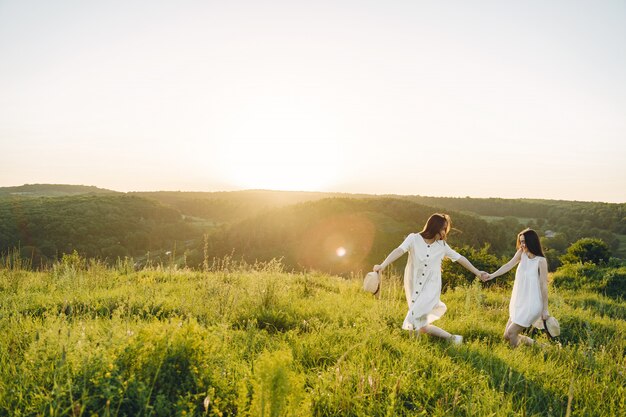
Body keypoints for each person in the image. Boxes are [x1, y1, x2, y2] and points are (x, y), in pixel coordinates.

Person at [373, 213, 485, 344]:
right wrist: (383, 265)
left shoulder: (442, 246)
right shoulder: (413, 238)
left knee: (414, 316)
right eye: (443, 229)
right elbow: (399, 250)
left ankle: (413, 346)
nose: (444, 233)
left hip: (431, 288)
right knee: (421, 325)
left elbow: (460, 258)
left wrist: (477, 272)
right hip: (413, 284)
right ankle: (453, 339)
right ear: (435, 227)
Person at [481, 228, 550, 347]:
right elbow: (508, 265)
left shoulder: (541, 261)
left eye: (524, 241)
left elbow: (544, 285)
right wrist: (492, 276)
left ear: (532, 241)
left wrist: (545, 309)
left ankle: (516, 358)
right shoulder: (521, 254)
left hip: (532, 303)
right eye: (521, 241)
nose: (522, 244)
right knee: (507, 336)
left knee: (512, 332)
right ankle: (541, 346)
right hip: (519, 301)